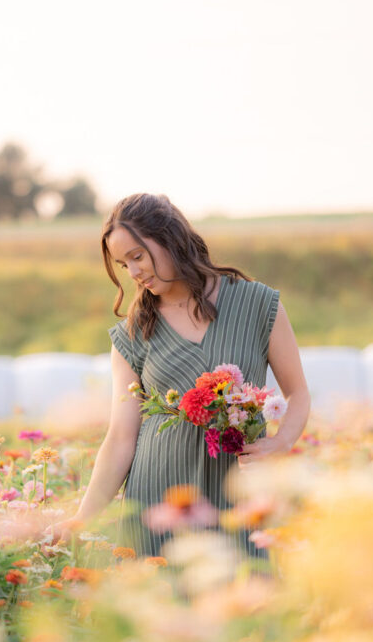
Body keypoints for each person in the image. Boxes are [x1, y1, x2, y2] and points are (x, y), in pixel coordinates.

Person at [54, 192, 311, 567]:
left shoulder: (257, 304)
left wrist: (280, 443)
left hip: (239, 499)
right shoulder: (134, 334)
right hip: (158, 504)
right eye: (124, 265)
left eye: (137, 256)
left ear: (170, 237)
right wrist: (81, 517)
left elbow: (299, 393)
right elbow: (122, 438)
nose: (134, 272)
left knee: (248, 608)